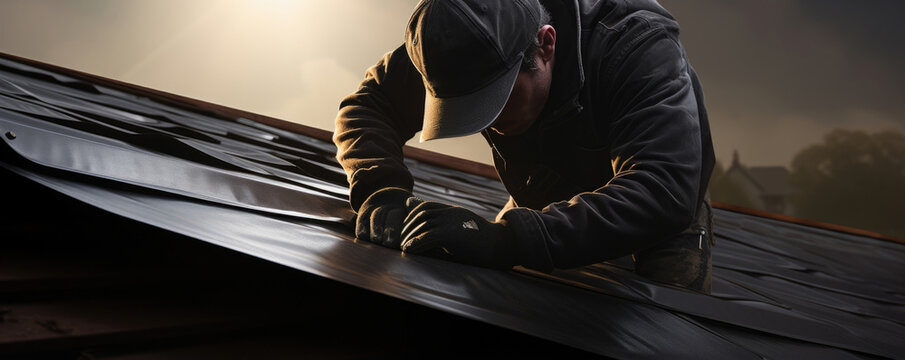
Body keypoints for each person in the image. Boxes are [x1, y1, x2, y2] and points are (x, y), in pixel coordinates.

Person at [333, 0, 715, 293]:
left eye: (495, 102)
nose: (490, 127)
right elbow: (367, 106)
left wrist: (510, 240)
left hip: (656, 209)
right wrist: (380, 187)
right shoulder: (454, 43)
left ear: (546, 45)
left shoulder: (638, 50)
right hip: (542, 191)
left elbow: (661, 189)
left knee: (664, 328)